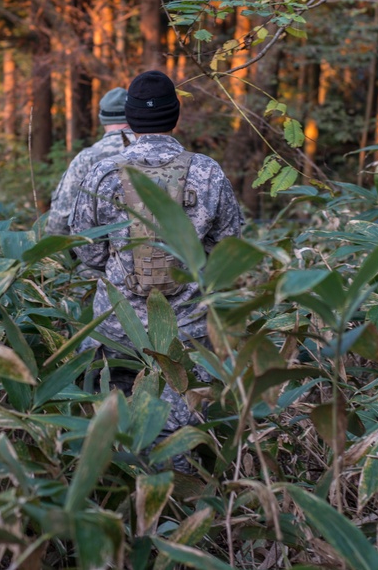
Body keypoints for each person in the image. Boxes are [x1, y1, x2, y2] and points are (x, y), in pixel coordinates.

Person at [69, 70, 243, 467]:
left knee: (114, 425)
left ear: (129, 117)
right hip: (187, 330)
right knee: (182, 432)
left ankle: (120, 501)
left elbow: (86, 247)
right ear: (175, 115)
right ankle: (178, 509)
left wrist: (120, 273)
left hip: (117, 327)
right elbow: (229, 248)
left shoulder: (103, 172)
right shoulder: (207, 171)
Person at [45, 87, 133, 236]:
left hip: (101, 254)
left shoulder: (87, 159)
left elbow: (59, 221)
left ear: (102, 119)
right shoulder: (156, 150)